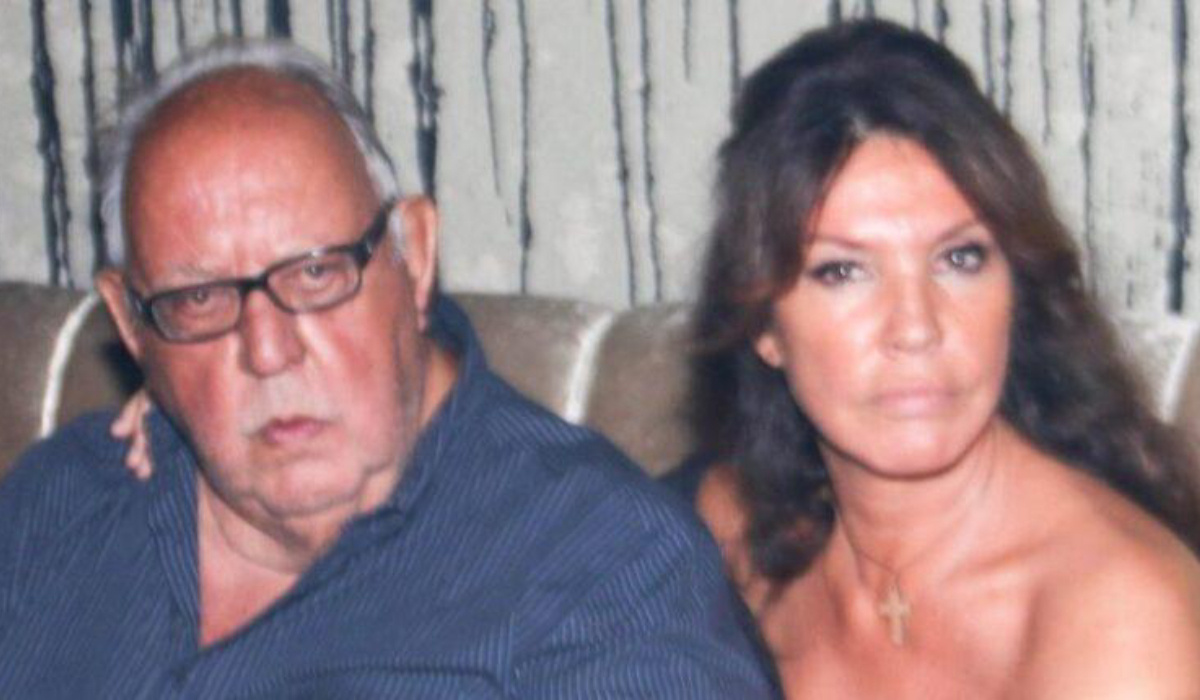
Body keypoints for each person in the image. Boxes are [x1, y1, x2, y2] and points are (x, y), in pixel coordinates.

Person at [0, 39, 775, 698]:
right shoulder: (59, 505)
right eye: (200, 298)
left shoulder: (605, 570)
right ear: (132, 324)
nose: (268, 351)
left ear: (416, 254)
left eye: (316, 272)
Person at [688, 18, 1200, 697]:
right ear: (764, 327)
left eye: (960, 258)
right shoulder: (727, 531)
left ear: (1015, 290)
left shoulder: (1122, 619)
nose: (916, 327)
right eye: (842, 270)